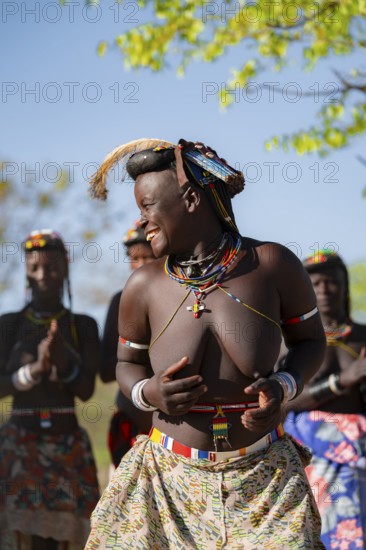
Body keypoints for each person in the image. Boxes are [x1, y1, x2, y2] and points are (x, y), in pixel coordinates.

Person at [85, 138, 326, 549]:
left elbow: (310, 343)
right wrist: (149, 393)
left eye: (147, 207)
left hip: (264, 483)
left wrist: (283, 386)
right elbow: (126, 363)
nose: (142, 221)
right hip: (165, 485)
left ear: (191, 199)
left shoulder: (272, 265)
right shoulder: (143, 286)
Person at [0, 229, 100, 550]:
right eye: (35, 267)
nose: (44, 275)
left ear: (66, 269)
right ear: (26, 271)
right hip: (18, 447)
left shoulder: (82, 325)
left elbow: (86, 391)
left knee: (68, 538)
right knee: (20, 537)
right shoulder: (9, 325)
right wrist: (34, 371)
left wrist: (62, 365)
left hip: (69, 447)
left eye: (53, 267)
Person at [283, 249, 366, 549]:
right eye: (315, 283)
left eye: (331, 281)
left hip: (359, 460)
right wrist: (341, 382)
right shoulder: (290, 343)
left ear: (344, 284)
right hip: (307, 458)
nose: (324, 289)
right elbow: (284, 402)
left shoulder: (363, 337)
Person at [101, 222, 155, 467]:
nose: (141, 265)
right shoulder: (119, 301)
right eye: (135, 259)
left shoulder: (179, 297)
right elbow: (105, 370)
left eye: (148, 257)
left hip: (171, 426)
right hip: (131, 419)